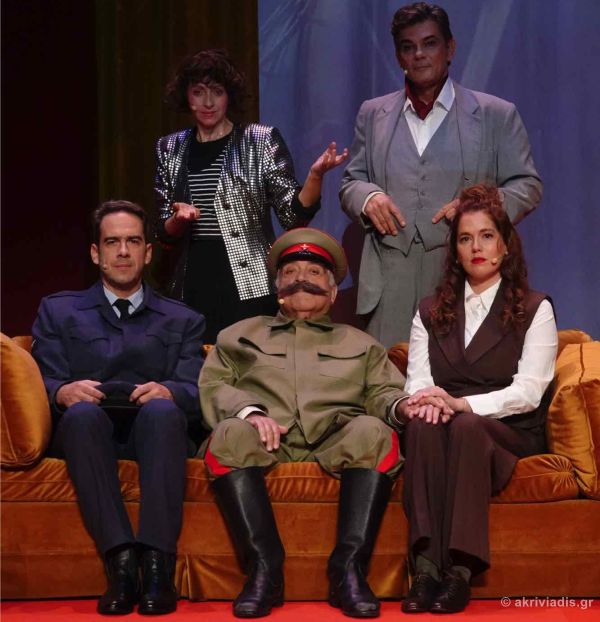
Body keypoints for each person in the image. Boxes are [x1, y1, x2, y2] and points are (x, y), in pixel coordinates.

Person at [198, 227, 421, 619]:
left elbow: (383, 393)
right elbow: (214, 385)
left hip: (336, 439)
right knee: (229, 433)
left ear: (333, 293)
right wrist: (250, 412)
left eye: (314, 273)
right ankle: (264, 570)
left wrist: (402, 407)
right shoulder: (238, 336)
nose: (301, 278)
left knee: (374, 432)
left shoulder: (361, 344)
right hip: (265, 439)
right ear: (277, 289)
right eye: (290, 272)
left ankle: (348, 570)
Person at [387, 184, 557, 614]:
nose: (476, 247)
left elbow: (529, 392)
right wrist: (428, 402)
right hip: (447, 421)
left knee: (462, 425)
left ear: (505, 244)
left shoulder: (535, 308)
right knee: (423, 424)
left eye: (486, 236)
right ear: (456, 251)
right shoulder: (429, 310)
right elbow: (418, 381)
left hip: (507, 430)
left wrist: (464, 405)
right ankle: (426, 570)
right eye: (465, 238)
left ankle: (459, 572)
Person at [31, 200, 206, 616]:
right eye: (112, 242)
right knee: (81, 416)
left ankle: (158, 567)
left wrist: (170, 393)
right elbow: (40, 378)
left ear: (148, 252)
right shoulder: (58, 310)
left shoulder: (183, 319)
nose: (123, 251)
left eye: (133, 242)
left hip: (156, 435)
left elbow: (196, 389)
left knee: (163, 412)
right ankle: (122, 566)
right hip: (86, 436)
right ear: (96, 253)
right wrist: (62, 391)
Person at [340, 2, 542, 347]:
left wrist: (481, 207)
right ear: (399, 57)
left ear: (450, 48)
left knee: (457, 376)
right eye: (408, 47)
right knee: (390, 377)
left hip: (463, 280)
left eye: (429, 43)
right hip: (388, 287)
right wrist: (367, 197)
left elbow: (528, 185)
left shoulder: (495, 114)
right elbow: (351, 182)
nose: (419, 54)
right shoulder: (373, 114)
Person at [155, 48, 348, 343]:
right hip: (191, 282)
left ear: (229, 95)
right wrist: (178, 220)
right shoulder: (170, 147)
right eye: (198, 92)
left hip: (249, 286)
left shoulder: (260, 139)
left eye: (217, 92)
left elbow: (293, 216)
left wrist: (315, 176)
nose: (208, 102)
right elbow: (163, 232)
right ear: (187, 96)